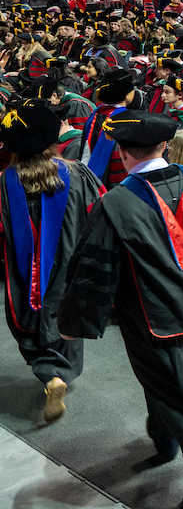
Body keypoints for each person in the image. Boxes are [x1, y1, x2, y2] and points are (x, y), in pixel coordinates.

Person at [57, 111, 183, 509]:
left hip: (155, 324)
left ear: (122, 152)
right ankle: (164, 442)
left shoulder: (116, 203)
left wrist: (75, 322)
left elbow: (95, 270)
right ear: (165, 145)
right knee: (180, 386)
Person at [0, 101, 104, 422]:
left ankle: (51, 374)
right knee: (64, 322)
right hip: (69, 272)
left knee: (29, 327)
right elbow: (100, 215)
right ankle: (61, 372)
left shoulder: (5, 182)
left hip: (24, 276)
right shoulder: (78, 173)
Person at [79, 69, 135, 187]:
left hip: (87, 176)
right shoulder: (125, 119)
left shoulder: (96, 113)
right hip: (109, 185)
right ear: (127, 95)